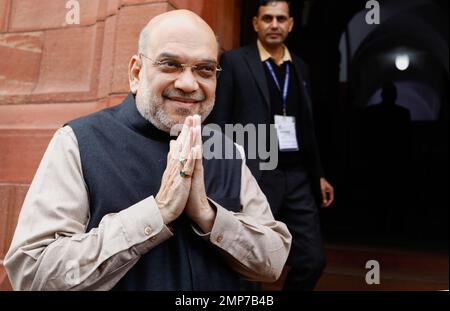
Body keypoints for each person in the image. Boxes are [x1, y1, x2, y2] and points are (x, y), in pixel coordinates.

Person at [4, 10, 292, 291]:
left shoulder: (229, 151)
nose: (189, 84)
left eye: (205, 69)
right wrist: (158, 212)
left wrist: (208, 216)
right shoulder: (78, 142)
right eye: (170, 65)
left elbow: (274, 259)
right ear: (136, 72)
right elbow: (32, 275)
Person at [207, 0, 334, 291]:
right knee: (248, 259)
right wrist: (222, 171)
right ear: (255, 24)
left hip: (298, 176)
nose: (274, 25)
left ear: (290, 24)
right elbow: (219, 120)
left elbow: (306, 126)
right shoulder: (236, 62)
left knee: (312, 260)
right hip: (256, 171)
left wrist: (319, 174)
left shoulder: (300, 67)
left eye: (280, 19)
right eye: (267, 18)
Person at [362, 82, 412, 236]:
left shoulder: (375, 113)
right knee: (387, 197)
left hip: (383, 160)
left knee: (384, 197)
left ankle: (383, 227)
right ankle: (389, 228)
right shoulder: (401, 113)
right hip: (389, 160)